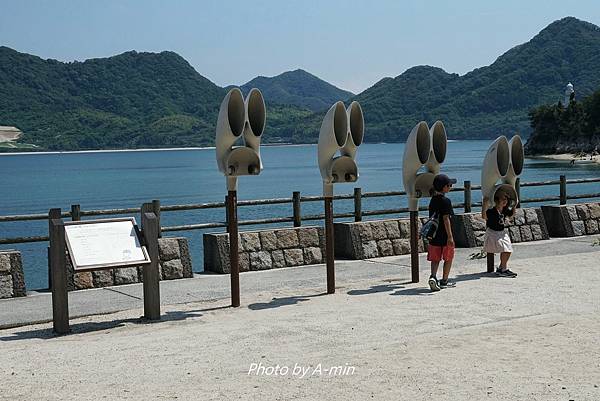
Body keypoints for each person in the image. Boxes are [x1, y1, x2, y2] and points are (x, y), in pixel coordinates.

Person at [427, 174, 457, 292]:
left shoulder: (433, 200)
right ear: (444, 187)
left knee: (435, 259)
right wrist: (450, 236)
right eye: (449, 185)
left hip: (434, 234)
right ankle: (444, 280)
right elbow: (446, 219)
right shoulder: (446, 201)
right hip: (444, 235)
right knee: (448, 258)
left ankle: (433, 276)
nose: (450, 187)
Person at [482, 192, 517, 277]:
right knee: (505, 249)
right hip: (493, 233)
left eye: (506, 199)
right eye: (503, 199)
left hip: (502, 233)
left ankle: (502, 268)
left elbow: (511, 217)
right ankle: (503, 269)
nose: (505, 201)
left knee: (508, 249)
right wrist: (484, 205)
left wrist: (514, 205)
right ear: (497, 201)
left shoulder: (505, 210)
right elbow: (484, 217)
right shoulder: (491, 210)